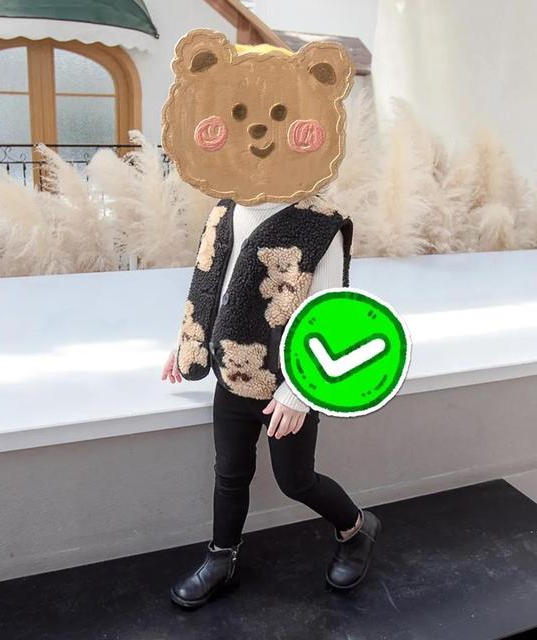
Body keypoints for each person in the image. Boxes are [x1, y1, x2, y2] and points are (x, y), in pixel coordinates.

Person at [159, 29, 381, 609]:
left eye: (279, 116)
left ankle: (356, 528)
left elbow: (329, 315)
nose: (258, 132)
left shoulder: (321, 225)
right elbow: (210, 282)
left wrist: (298, 391)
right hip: (232, 370)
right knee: (229, 471)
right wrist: (188, 343)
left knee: (295, 479)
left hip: (287, 380)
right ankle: (221, 557)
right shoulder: (226, 207)